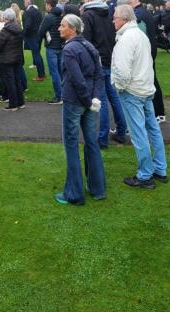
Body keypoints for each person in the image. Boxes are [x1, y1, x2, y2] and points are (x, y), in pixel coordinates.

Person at [111, 4, 167, 189]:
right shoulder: (140, 34)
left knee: (139, 133)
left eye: (115, 17)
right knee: (153, 129)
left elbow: (121, 70)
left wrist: (120, 87)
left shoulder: (126, 38)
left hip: (133, 91)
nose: (113, 20)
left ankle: (145, 175)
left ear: (124, 19)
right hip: (146, 88)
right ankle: (160, 168)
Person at [55, 14, 106, 204]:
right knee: (91, 142)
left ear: (73, 29)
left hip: (76, 102)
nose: (59, 28)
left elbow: (77, 79)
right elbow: (98, 75)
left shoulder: (70, 49)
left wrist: (89, 100)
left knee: (71, 144)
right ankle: (97, 188)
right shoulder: (89, 45)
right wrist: (93, 99)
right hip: (88, 102)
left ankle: (74, 194)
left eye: (63, 25)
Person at [81, 0, 127, 147]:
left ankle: (102, 138)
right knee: (113, 97)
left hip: (98, 60)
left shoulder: (88, 15)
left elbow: (85, 41)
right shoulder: (108, 12)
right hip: (109, 56)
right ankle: (121, 131)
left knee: (101, 100)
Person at [0, 8, 26, 111]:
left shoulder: (5, 30)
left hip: (7, 59)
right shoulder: (19, 28)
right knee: (17, 80)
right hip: (17, 57)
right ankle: (20, 102)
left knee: (10, 81)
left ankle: (13, 104)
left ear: (6, 18)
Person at [39, 0, 65, 103]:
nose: (45, 7)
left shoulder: (49, 17)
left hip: (52, 47)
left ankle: (59, 97)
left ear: (49, 5)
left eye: (46, 4)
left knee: (54, 73)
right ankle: (65, 94)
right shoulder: (61, 15)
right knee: (61, 72)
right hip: (61, 45)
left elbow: (41, 31)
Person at [23, 0, 45, 82]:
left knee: (36, 55)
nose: (24, 3)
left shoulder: (29, 12)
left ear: (28, 1)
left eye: (24, 1)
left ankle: (41, 75)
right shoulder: (37, 11)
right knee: (38, 55)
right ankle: (42, 73)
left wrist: (23, 33)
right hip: (38, 35)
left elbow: (28, 25)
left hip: (32, 36)